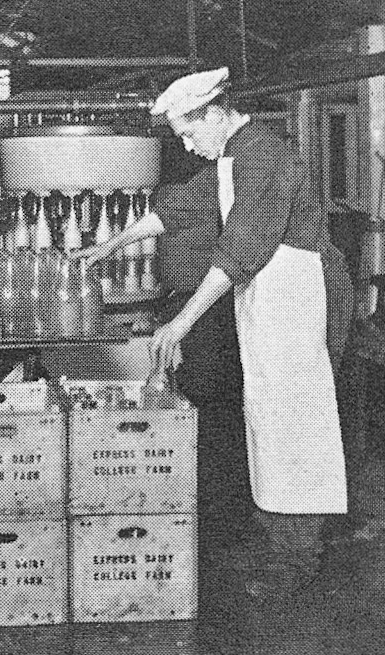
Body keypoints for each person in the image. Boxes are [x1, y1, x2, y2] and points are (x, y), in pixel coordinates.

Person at [74, 67, 349, 601]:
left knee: (294, 424)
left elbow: (241, 246)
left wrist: (183, 320)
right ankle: (276, 540)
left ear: (216, 114)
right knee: (266, 417)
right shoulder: (230, 157)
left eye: (187, 131)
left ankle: (296, 559)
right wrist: (112, 245)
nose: (185, 143)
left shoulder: (263, 153)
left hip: (295, 296)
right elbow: (180, 208)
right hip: (266, 298)